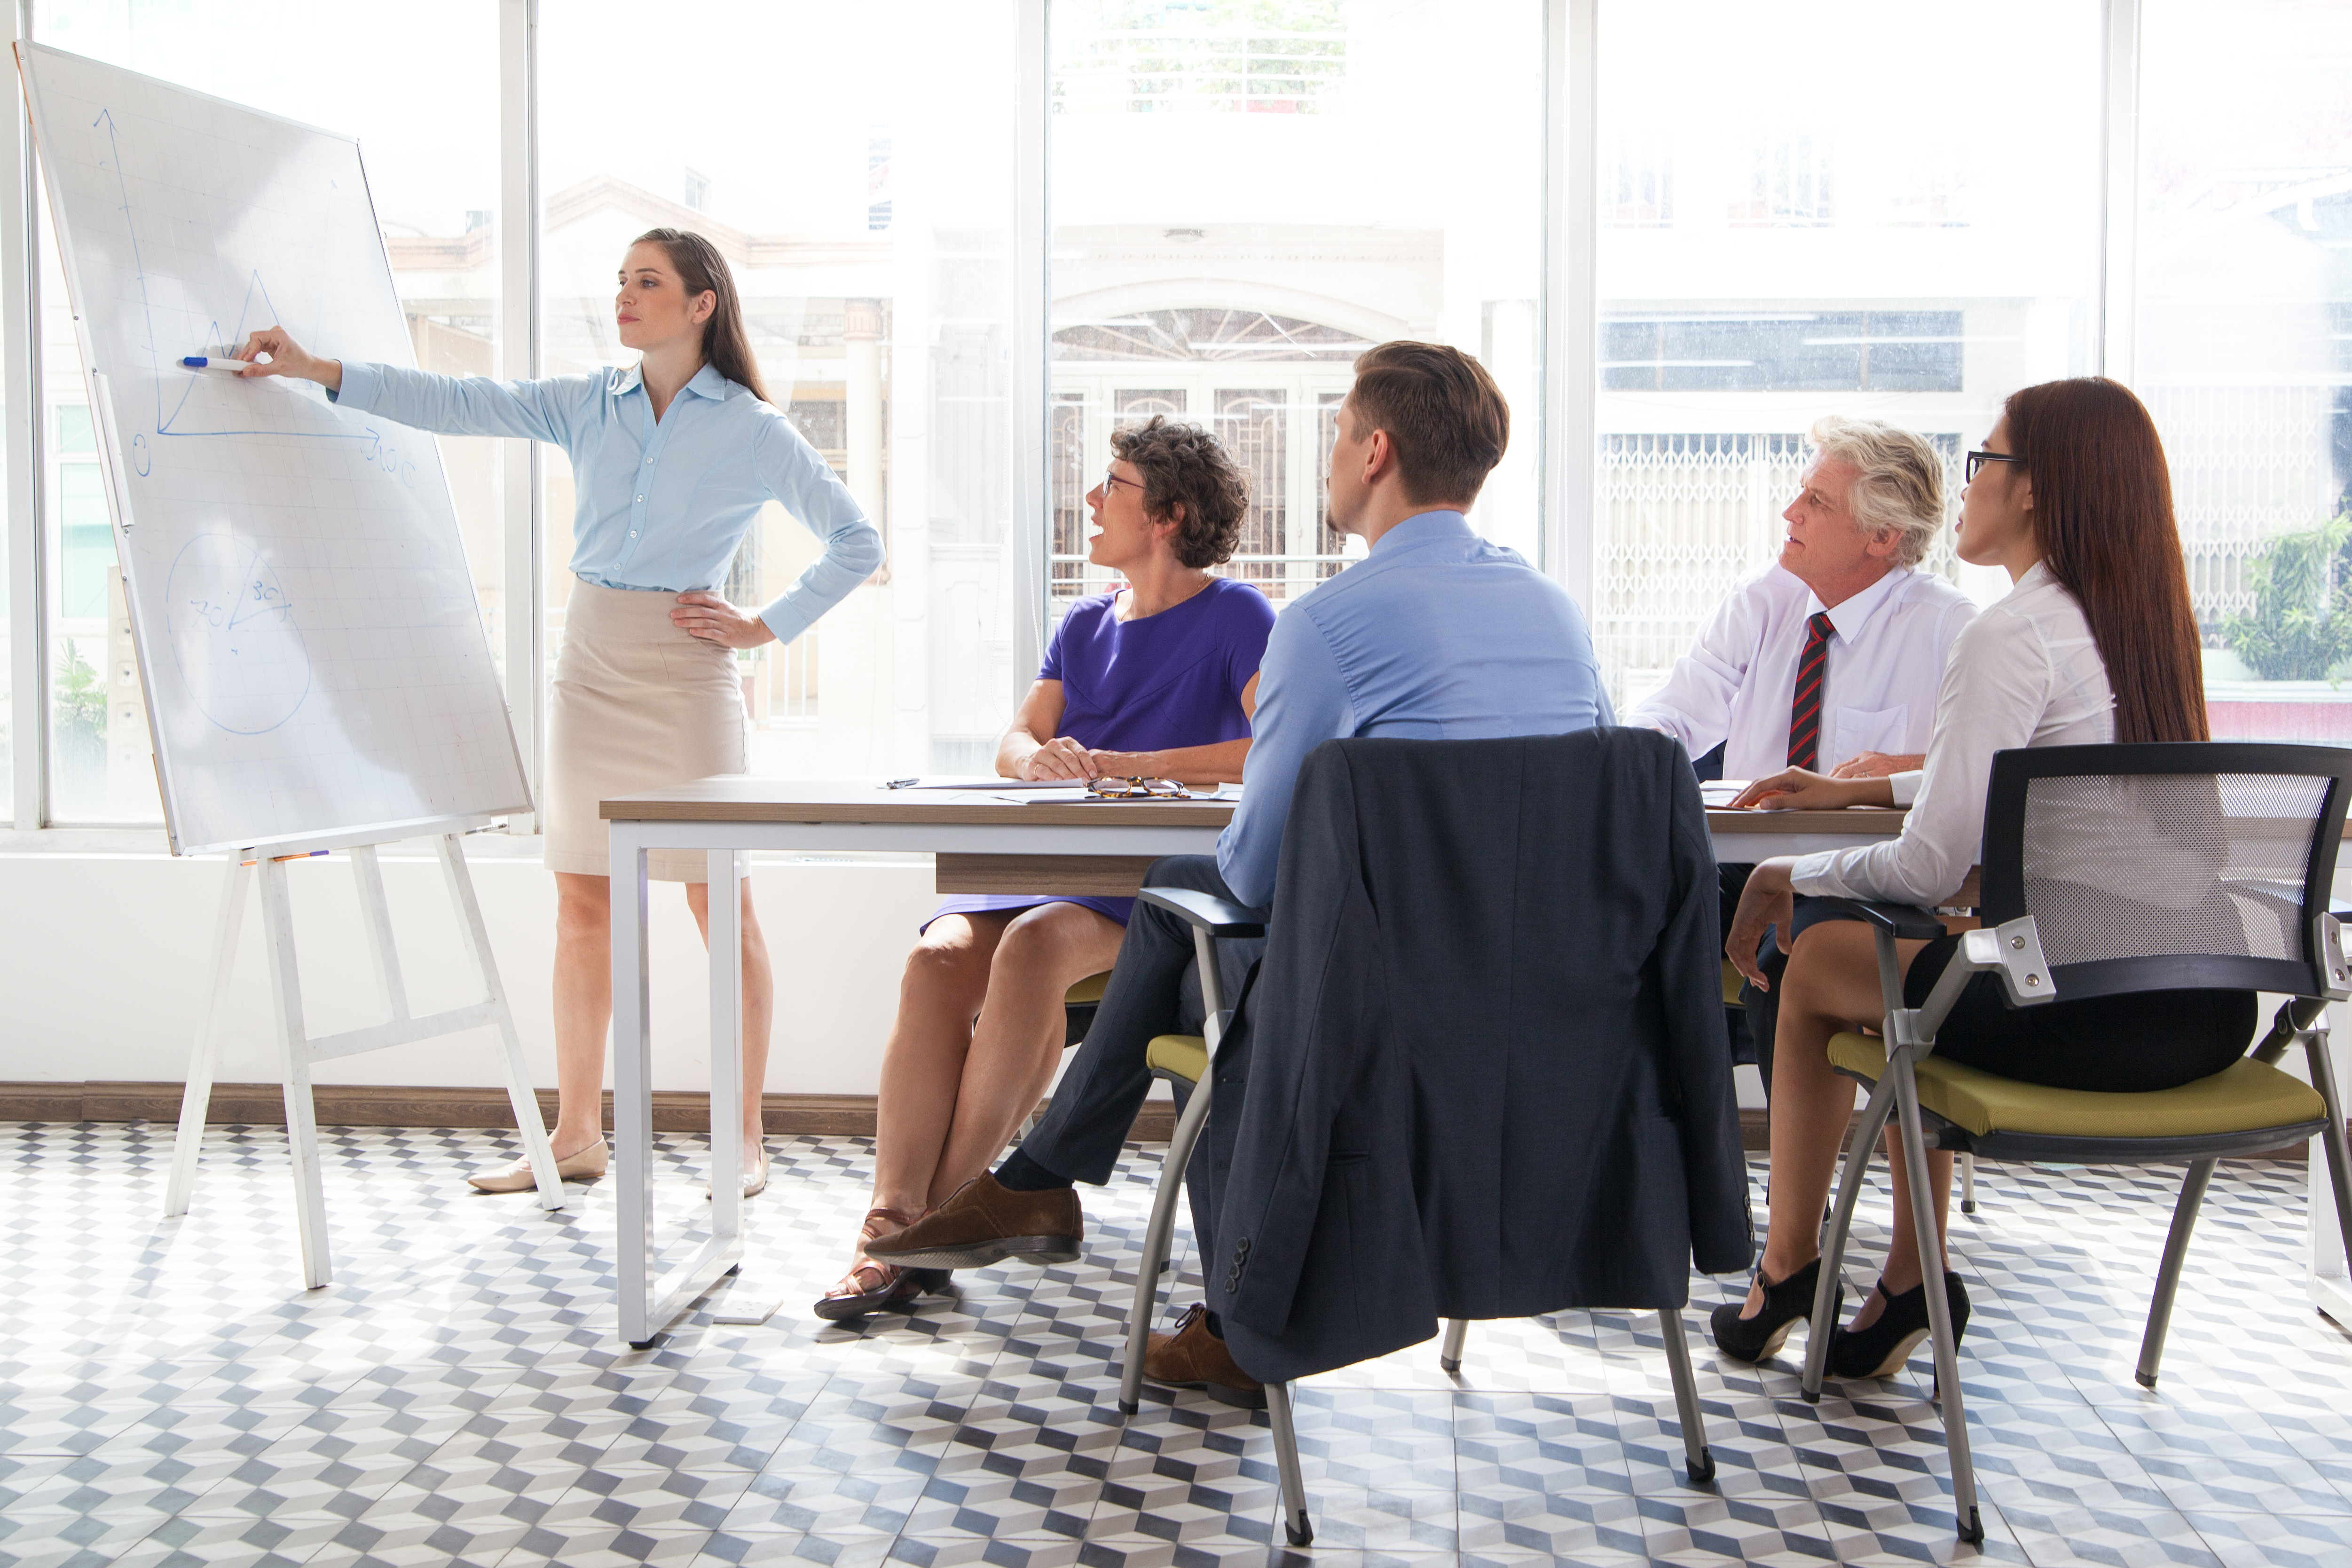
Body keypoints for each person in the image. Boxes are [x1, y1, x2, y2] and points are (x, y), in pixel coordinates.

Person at [868, 340, 1614, 1406]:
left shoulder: (1325, 625)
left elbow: (1255, 872)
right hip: (1541, 998)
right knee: (1175, 916)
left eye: (1336, 434)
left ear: (1377, 450)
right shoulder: (1558, 616)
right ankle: (1041, 1184)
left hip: (1368, 1006)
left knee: (1200, 941)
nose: (1328, 459)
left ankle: (1076, 1203)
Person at [233, 229, 883, 1199]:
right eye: (621, 281)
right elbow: (458, 403)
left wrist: (765, 627)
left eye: (647, 282)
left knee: (720, 901)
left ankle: (742, 1139)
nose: (624, 296)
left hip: (688, 674)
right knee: (581, 903)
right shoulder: (592, 402)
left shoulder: (751, 426)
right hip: (590, 664)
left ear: (702, 304)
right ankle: (578, 1132)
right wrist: (315, 369)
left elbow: (855, 540)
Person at [1711, 377, 2237, 1381]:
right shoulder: (2140, 627)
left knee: (1824, 954)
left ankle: (1788, 1267)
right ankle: (1911, 1277)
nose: (1971, 482)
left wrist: (1785, 866)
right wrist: (1873, 789)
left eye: (1984, 459)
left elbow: (1929, 862)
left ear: (2035, 489)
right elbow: (2027, 780)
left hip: (2072, 1017)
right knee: (1916, 954)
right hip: (2201, 1013)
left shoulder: (2009, 634)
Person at [818, 417, 1274, 1319]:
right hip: (1048, 861)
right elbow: (1015, 736)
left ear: (1170, 516)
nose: (1093, 501)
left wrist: (1135, 765)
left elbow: (1268, 743)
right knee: (938, 956)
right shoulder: (1084, 620)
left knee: (1032, 945)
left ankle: (932, 1226)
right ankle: (894, 1217)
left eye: (1114, 485)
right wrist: (1037, 760)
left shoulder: (1238, 614)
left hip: (1146, 888)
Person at [1626, 417, 1975, 1075]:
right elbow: (1678, 709)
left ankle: (1777, 1177)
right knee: (1622, 927)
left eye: (1818, 502)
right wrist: (1629, 755)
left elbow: (1982, 771)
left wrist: (1907, 767)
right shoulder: (1765, 599)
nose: (1792, 512)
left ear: (1882, 537)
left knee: (1789, 953)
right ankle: (1660, 1158)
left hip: (1868, 882)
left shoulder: (1948, 628)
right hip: (1740, 867)